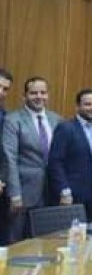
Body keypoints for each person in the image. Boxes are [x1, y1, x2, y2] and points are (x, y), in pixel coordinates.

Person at [1, 77, 62, 241]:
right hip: (23, 192)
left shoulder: (56, 119)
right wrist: (14, 193)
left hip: (51, 191)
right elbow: (9, 158)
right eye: (34, 93)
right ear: (24, 96)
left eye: (43, 92)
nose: (39, 96)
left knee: (46, 241)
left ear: (48, 95)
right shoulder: (13, 120)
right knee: (16, 241)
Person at [48, 89, 92, 221]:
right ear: (77, 107)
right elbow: (55, 162)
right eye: (87, 104)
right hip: (72, 195)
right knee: (73, 232)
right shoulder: (66, 128)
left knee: (91, 230)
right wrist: (64, 190)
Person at [0, 68, 13, 245]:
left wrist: (2, 178)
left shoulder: (6, 116)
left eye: (5, 89)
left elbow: (5, 153)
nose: (1, 92)